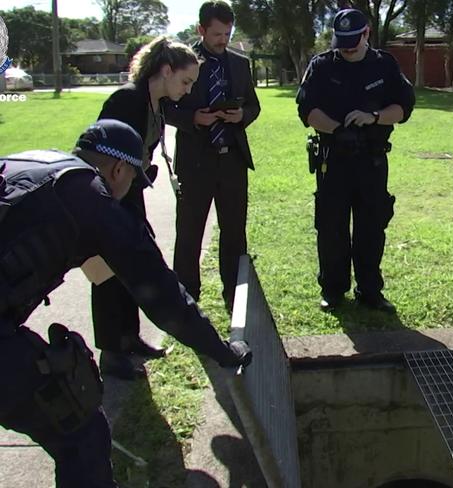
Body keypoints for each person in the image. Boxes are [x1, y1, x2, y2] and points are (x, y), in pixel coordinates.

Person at [0, 119, 252, 488]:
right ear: (119, 169)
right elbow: (164, 298)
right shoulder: (96, 199)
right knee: (79, 426)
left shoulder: (39, 163)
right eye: (134, 180)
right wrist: (223, 351)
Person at [87, 36, 200, 380]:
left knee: (132, 269)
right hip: (110, 198)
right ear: (166, 70)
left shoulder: (157, 103)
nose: (188, 89)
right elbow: (101, 151)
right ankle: (111, 352)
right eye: (185, 81)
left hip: (131, 195)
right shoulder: (128, 99)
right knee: (108, 273)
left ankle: (129, 337)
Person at [296, 9, 415, 314]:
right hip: (333, 160)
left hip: (372, 161)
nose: (347, 47)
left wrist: (373, 117)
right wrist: (337, 130)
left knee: (372, 227)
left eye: (354, 40)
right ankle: (333, 290)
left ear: (367, 34)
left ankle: (370, 290)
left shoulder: (384, 64)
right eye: (342, 42)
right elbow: (307, 110)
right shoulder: (321, 65)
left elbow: (403, 107)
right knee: (331, 227)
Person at [164, 1, 260, 312]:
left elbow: (254, 106)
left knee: (234, 232)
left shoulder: (240, 64)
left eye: (228, 33)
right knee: (190, 233)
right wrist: (192, 119)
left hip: (232, 159)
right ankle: (186, 299)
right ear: (201, 30)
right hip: (196, 162)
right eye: (217, 34)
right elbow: (164, 105)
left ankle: (235, 295)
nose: (223, 40)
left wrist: (241, 115)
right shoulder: (180, 61)